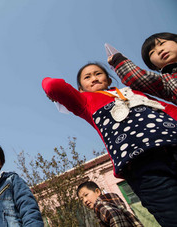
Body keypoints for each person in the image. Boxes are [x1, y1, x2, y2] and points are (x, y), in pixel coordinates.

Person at [42, 62, 177, 226]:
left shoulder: (133, 92)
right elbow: (52, 86)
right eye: (87, 77)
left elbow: (169, 111)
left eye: (98, 73)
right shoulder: (85, 101)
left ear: (108, 79)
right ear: (80, 89)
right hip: (142, 164)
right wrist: (57, 94)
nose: (94, 78)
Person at [107, 32, 177, 105]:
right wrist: (117, 59)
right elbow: (137, 77)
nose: (159, 51)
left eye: (162, 43)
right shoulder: (167, 81)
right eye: (152, 52)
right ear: (154, 66)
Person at [77, 181, 143, 227]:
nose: (85, 200)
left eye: (86, 195)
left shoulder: (99, 205)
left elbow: (114, 216)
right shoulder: (112, 203)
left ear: (97, 191)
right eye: (81, 199)